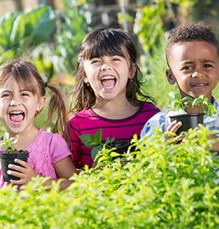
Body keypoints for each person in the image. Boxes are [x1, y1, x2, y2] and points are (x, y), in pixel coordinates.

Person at [0, 60, 76, 196]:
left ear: (40, 103)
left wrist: (37, 181)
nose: (15, 102)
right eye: (6, 95)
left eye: (24, 94)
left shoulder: (52, 144)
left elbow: (75, 185)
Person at [69, 27, 160, 169]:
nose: (105, 67)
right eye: (96, 61)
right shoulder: (77, 125)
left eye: (115, 59)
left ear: (131, 71)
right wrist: (93, 174)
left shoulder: (151, 116)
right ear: (84, 76)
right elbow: (67, 178)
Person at [141, 23, 219, 153]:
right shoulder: (157, 124)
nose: (198, 74)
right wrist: (163, 150)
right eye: (187, 68)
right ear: (171, 76)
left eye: (207, 65)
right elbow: (143, 169)